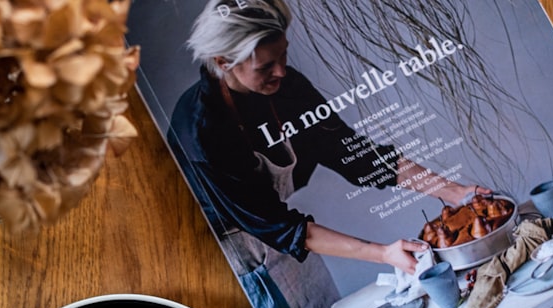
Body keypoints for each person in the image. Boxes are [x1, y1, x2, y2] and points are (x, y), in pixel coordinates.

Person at [168, 0, 488, 276]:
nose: (281, 71)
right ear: (224, 62)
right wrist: (382, 253)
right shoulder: (203, 133)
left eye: (283, 55)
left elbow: (356, 154)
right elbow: (281, 228)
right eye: (266, 66)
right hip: (238, 250)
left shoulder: (286, 86)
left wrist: (453, 191)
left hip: (288, 231)